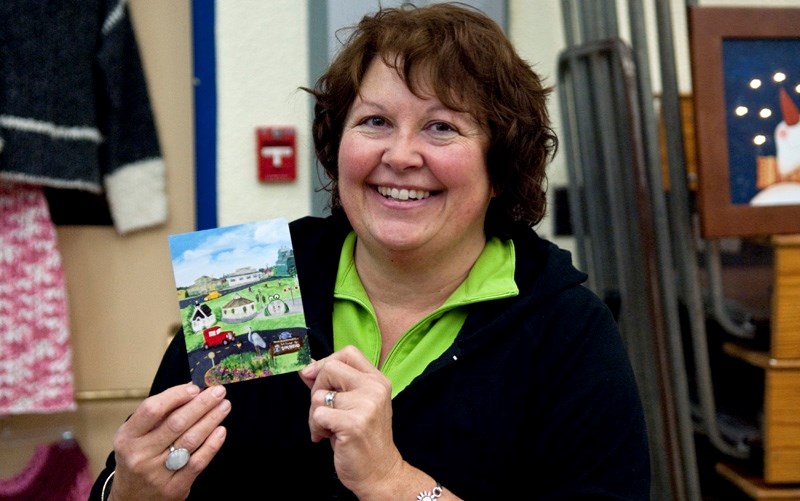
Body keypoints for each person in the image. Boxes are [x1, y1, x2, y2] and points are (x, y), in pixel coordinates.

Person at [90, 3, 650, 499]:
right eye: (375, 121)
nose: (401, 155)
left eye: (442, 127)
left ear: (501, 165)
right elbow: (154, 471)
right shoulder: (252, 278)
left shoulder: (565, 329)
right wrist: (130, 493)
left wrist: (392, 483)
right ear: (338, 148)